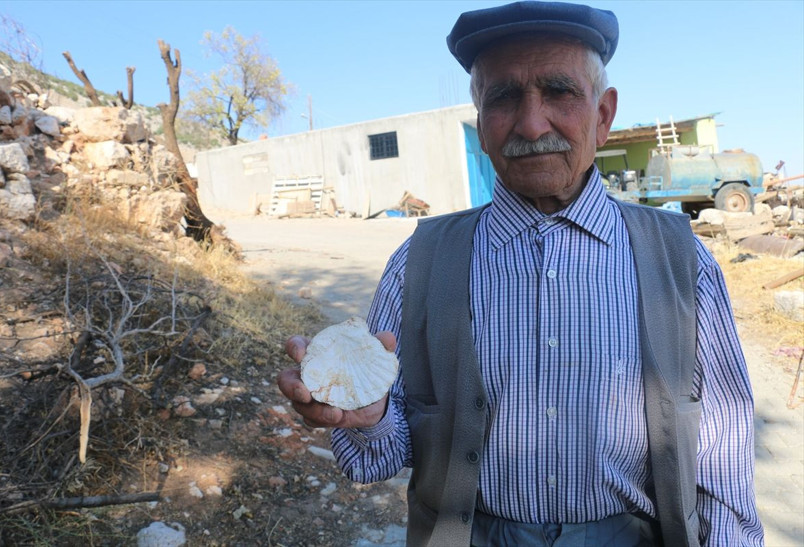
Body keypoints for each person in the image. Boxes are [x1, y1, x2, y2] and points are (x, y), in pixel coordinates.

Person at [278, 2, 764, 545]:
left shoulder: (679, 260)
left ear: (603, 116)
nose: (532, 124)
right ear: (481, 126)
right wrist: (366, 417)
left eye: (559, 92)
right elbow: (380, 458)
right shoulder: (419, 262)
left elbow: (722, 446)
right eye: (504, 97)